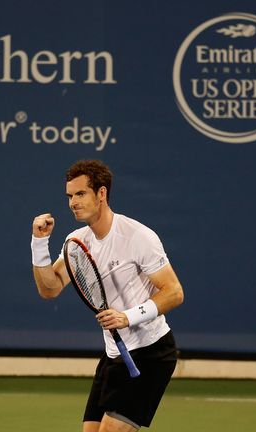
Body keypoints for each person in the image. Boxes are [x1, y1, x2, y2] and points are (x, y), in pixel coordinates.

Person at [31, 160, 184, 432]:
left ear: (101, 194)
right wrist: (39, 243)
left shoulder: (138, 236)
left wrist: (127, 317)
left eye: (80, 194)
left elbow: (174, 292)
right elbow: (49, 289)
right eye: (70, 196)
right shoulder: (76, 243)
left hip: (152, 353)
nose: (73, 203)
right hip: (115, 354)